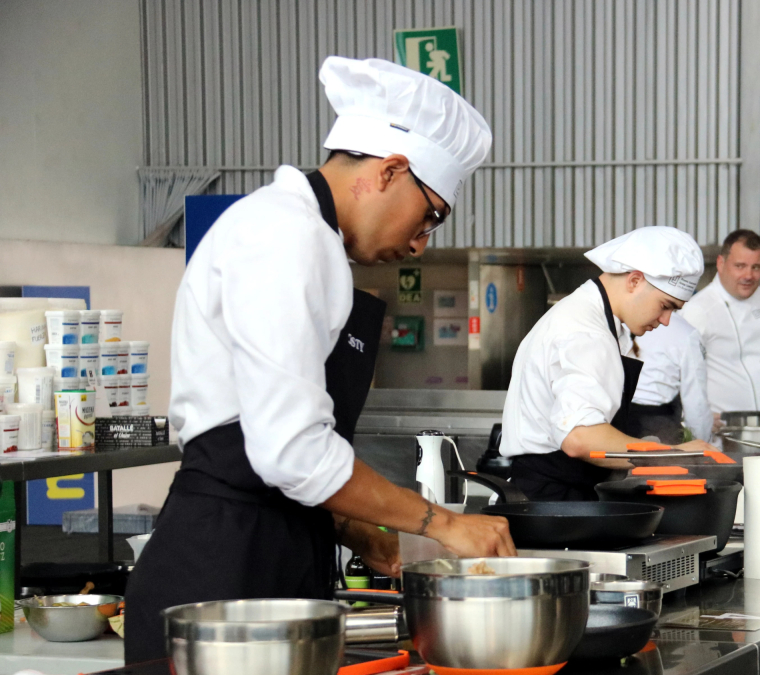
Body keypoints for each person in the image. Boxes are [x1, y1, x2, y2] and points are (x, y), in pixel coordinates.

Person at [123, 57, 515, 663]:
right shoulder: (286, 236)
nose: (419, 242)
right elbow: (291, 451)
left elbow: (273, 443)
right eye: (430, 215)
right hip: (223, 576)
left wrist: (354, 525)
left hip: (268, 558)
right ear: (390, 171)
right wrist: (439, 522)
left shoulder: (309, 240)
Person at [500, 227, 720, 501]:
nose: (666, 320)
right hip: (553, 503)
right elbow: (580, 437)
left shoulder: (588, 316)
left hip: (555, 493)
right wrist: (669, 455)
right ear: (635, 281)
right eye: (666, 305)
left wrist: (643, 447)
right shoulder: (586, 332)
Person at [679, 230, 760, 423]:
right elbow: (681, 372)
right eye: (740, 266)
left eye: (756, 267)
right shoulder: (698, 310)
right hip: (722, 432)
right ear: (721, 263)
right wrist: (696, 416)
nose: (748, 275)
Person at [626, 312, 714, 444]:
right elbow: (697, 405)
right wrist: (700, 445)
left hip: (613, 425)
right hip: (657, 427)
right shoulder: (685, 332)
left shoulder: (618, 320)